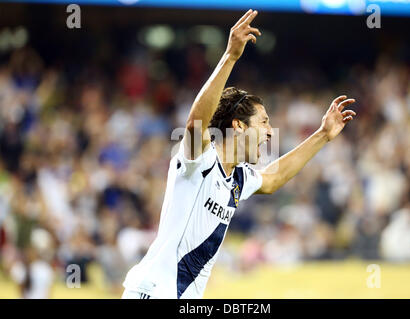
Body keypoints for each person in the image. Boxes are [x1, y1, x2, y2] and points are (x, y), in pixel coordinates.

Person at [122, 9, 356, 299]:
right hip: (153, 293)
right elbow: (196, 122)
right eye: (264, 122)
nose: (271, 132)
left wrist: (322, 135)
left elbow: (275, 177)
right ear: (238, 126)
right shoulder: (201, 160)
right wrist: (230, 56)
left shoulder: (239, 179)